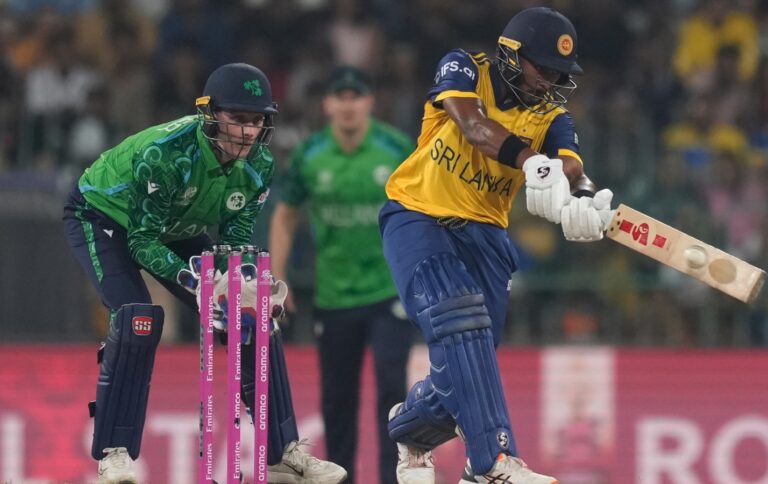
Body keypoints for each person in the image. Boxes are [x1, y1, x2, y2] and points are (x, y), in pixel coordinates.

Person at [63, 62, 347, 484]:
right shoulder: (165, 154)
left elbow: (235, 240)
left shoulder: (260, 165)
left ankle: (281, 454)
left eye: (257, 121)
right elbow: (142, 242)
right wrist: (198, 283)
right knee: (138, 318)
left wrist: (242, 290)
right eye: (237, 118)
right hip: (104, 217)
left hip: (178, 227)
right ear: (210, 113)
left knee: (251, 319)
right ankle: (114, 454)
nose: (247, 132)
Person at [380, 7, 614, 484]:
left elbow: (572, 166)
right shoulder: (465, 67)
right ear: (511, 54)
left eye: (559, 74)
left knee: (471, 357)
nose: (550, 82)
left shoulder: (552, 116)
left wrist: (583, 199)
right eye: (542, 68)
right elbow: (472, 125)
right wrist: (531, 162)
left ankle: (410, 428)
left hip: (486, 233)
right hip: (418, 213)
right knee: (460, 317)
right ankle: (492, 462)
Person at [269, 65, 416, 484]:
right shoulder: (310, 154)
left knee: (392, 391)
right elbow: (285, 214)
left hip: (389, 290)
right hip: (333, 296)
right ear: (328, 104)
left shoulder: (396, 147)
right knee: (337, 399)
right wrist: (278, 276)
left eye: (356, 97)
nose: (349, 105)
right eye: (341, 97)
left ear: (370, 102)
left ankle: (394, 479)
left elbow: (424, 208)